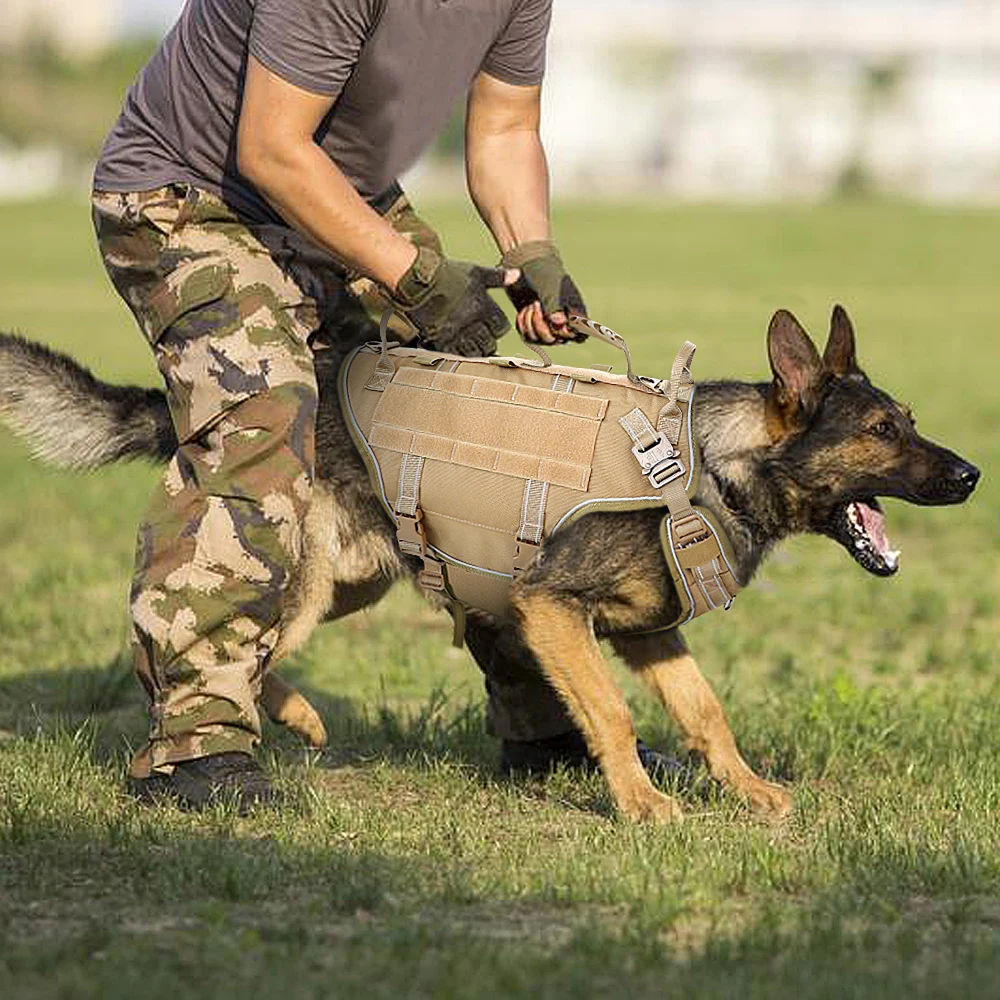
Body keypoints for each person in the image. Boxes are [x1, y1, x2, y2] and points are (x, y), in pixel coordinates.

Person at [92, 0, 671, 811]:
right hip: (186, 194)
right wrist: (416, 279)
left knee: (470, 422)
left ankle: (545, 726)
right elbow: (268, 146)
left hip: (334, 184)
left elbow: (504, 132)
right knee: (267, 408)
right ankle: (193, 744)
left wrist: (532, 253)